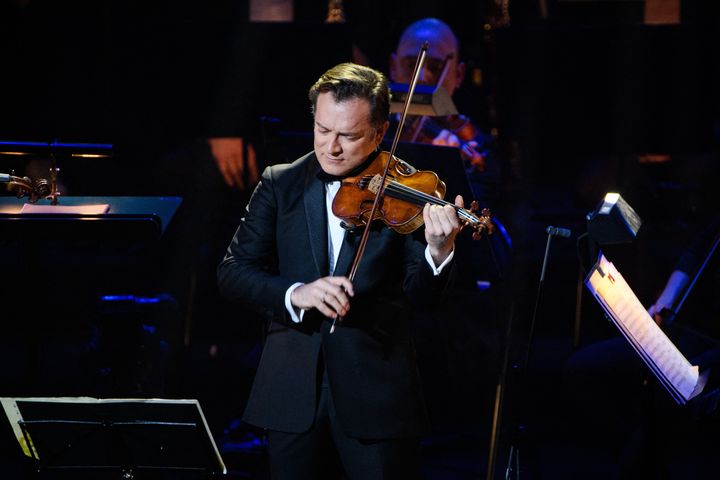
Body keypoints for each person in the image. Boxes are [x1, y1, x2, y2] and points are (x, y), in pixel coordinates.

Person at [217, 62, 465, 478]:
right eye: (322, 130)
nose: (331, 147)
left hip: (377, 397)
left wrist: (438, 251)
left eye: (348, 136)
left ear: (380, 132)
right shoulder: (281, 183)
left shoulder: (409, 191)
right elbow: (232, 272)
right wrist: (296, 293)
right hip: (291, 394)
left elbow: (424, 298)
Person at [389, 17, 500, 208]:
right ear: (393, 67)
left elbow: (477, 210)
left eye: (435, 67)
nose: (422, 77)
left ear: (458, 75)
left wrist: (447, 167)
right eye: (410, 65)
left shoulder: (478, 147)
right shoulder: (371, 131)